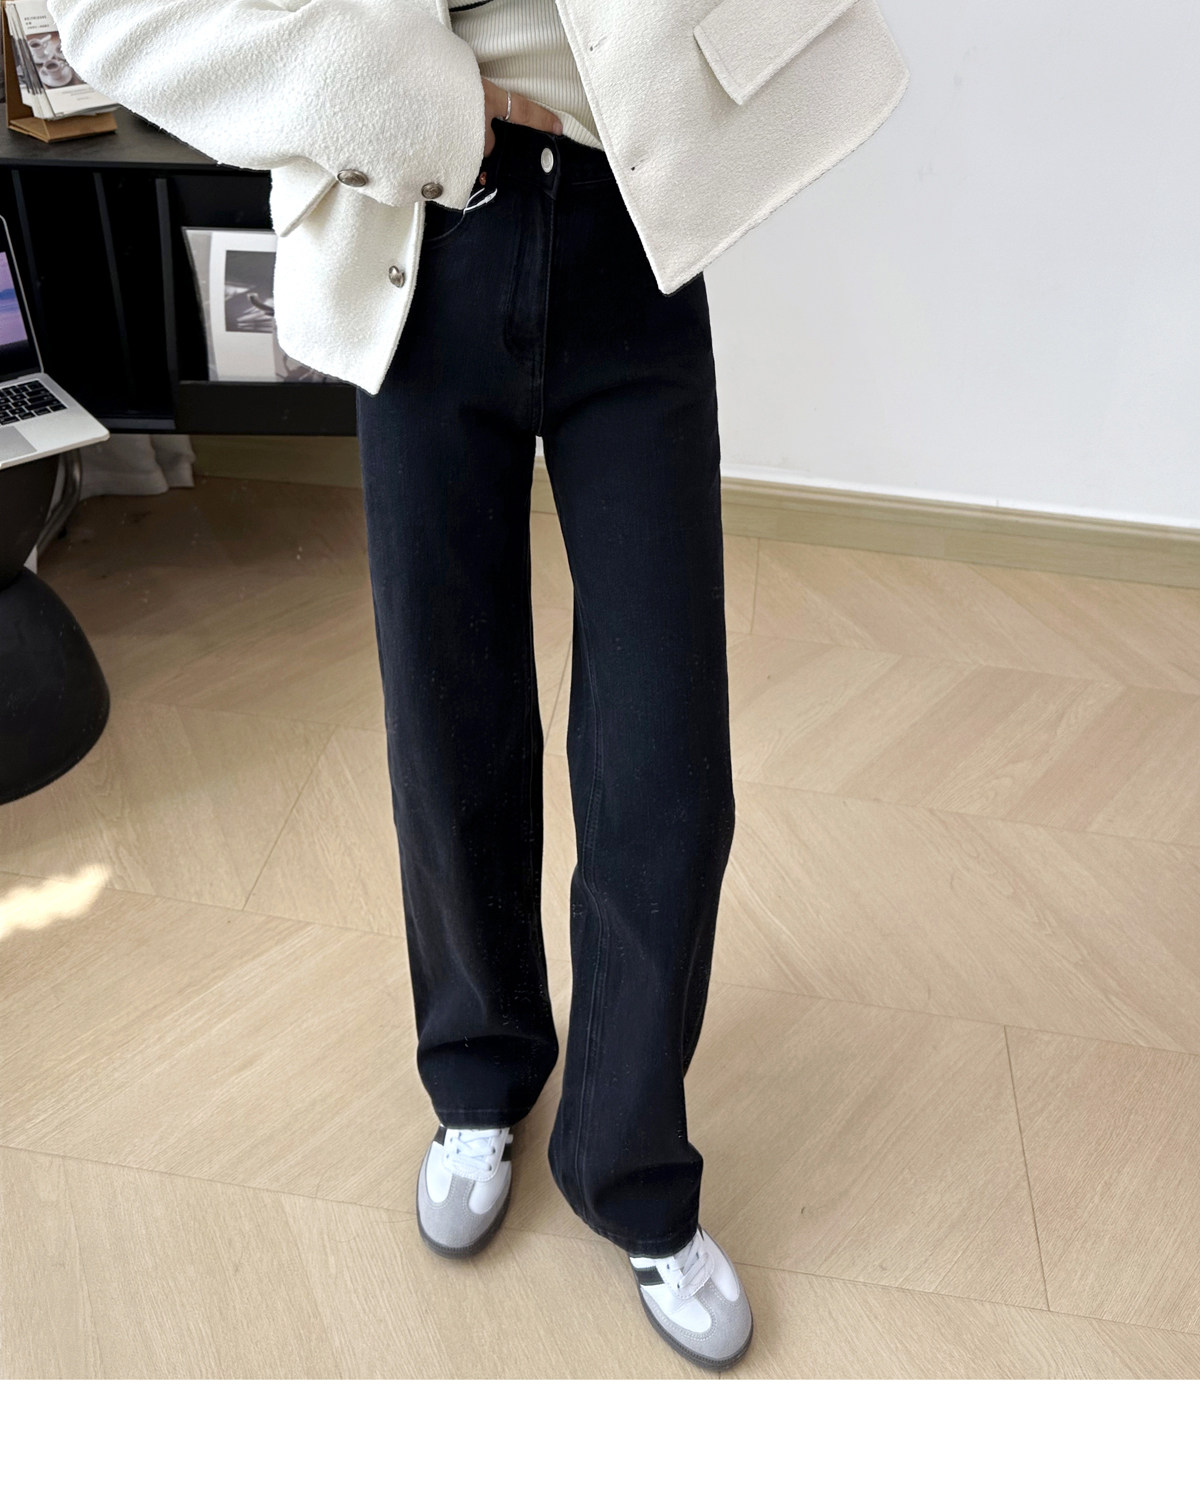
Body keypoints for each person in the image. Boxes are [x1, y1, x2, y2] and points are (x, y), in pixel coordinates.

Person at [45, 0, 910, 1373]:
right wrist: (411, 101)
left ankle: (630, 1168)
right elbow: (108, 16)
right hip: (421, 235)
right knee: (450, 726)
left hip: (631, 239)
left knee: (668, 765)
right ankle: (479, 1078)